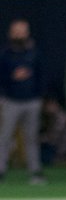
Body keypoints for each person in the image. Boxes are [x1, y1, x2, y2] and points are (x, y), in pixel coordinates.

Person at [0, 18, 47, 185]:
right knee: (5, 137)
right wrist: (12, 78)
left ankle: (35, 171)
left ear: (27, 33)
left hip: (32, 102)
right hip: (10, 101)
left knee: (31, 138)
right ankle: (1, 170)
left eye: (22, 31)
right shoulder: (5, 54)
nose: (19, 34)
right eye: (16, 31)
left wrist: (40, 97)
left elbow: (41, 76)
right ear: (10, 33)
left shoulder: (35, 53)